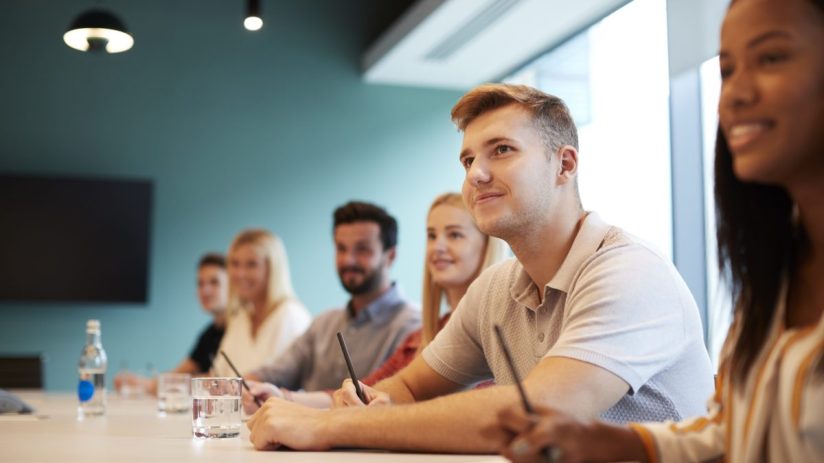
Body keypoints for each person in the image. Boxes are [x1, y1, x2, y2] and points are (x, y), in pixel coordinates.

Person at [245, 84, 714, 453]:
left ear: (565, 165)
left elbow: (537, 411)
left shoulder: (629, 272)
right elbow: (409, 385)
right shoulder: (496, 287)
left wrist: (333, 425)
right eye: (468, 159)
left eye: (502, 150)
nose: (475, 174)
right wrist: (370, 402)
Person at [494, 1, 824, 462]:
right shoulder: (776, 272)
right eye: (727, 70)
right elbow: (735, 427)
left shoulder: (628, 270)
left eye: (771, 58)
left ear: (565, 165)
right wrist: (612, 442)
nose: (735, 93)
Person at [241, 201, 421, 409]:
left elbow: (384, 395)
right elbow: (274, 373)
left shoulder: (414, 327)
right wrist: (243, 387)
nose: (348, 260)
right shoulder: (324, 323)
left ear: (390, 256)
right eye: (341, 248)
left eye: (362, 249)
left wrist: (285, 397)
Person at [358, 192, 508, 387]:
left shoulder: (505, 336)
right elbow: (368, 390)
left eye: (454, 235)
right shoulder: (416, 341)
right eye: (431, 236)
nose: (438, 247)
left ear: (487, 244)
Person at [114, 253, 229, 395]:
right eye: (200, 284)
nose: (205, 290)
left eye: (214, 282)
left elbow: (220, 381)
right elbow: (178, 374)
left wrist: (153, 384)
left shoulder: (239, 332)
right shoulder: (208, 334)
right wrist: (144, 383)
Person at [209, 229, 311, 377]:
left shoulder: (291, 316)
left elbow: (291, 380)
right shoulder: (240, 318)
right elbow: (217, 377)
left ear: (272, 268)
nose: (240, 274)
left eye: (252, 264)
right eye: (235, 264)